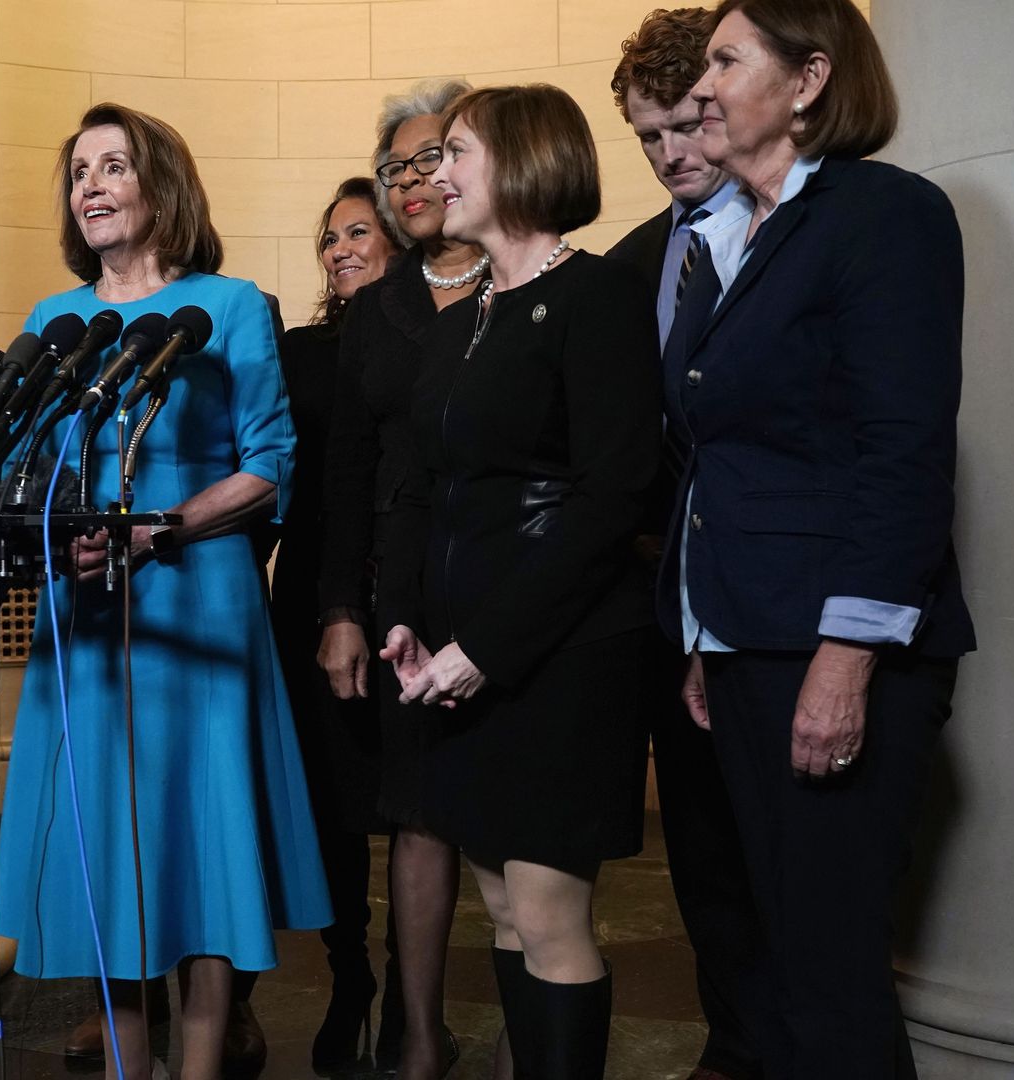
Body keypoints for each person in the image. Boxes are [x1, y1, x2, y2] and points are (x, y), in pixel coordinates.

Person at [662, 0, 975, 1073]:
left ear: (808, 81)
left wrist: (845, 661)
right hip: (747, 643)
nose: (700, 87)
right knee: (775, 961)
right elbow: (719, 459)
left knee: (831, 977)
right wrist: (708, 632)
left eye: (724, 61)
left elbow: (902, 450)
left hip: (838, 650)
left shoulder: (884, 214)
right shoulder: (722, 237)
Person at [0, 102, 330, 1080]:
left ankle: (201, 1065)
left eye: (112, 166)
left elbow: (269, 463)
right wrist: (62, 542)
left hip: (203, 601)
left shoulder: (227, 307)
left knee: (202, 835)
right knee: (113, 841)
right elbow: (26, 473)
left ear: (161, 186)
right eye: (78, 171)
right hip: (92, 613)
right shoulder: (51, 325)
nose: (89, 185)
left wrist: (162, 529)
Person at [384, 83, 659, 1079]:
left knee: (546, 913)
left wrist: (485, 649)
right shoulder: (462, 323)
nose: (434, 174)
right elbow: (430, 489)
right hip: (464, 654)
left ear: (527, 158)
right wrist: (411, 623)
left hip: (562, 656)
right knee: (501, 908)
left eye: (455, 152)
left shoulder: (600, 297)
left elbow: (612, 498)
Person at [603, 10, 767, 1079]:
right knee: (703, 850)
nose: (672, 157)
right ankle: (733, 1042)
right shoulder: (627, 266)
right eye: (648, 139)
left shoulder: (797, 227)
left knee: (789, 856)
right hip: (672, 602)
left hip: (781, 599)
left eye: (687, 128)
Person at [316, 78, 487, 1080]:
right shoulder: (378, 310)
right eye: (395, 168)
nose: (411, 181)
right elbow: (345, 475)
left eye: (429, 158)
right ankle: (419, 1035)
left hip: (510, 586)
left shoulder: (531, 280)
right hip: (402, 601)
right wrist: (342, 606)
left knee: (511, 825)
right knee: (416, 813)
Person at [270, 177, 401, 1072]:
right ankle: (351, 975)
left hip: (413, 597)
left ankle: (416, 1000)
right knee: (335, 806)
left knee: (422, 810)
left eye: (359, 232)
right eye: (329, 238)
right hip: (312, 599)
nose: (340, 249)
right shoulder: (299, 350)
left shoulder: (434, 336)